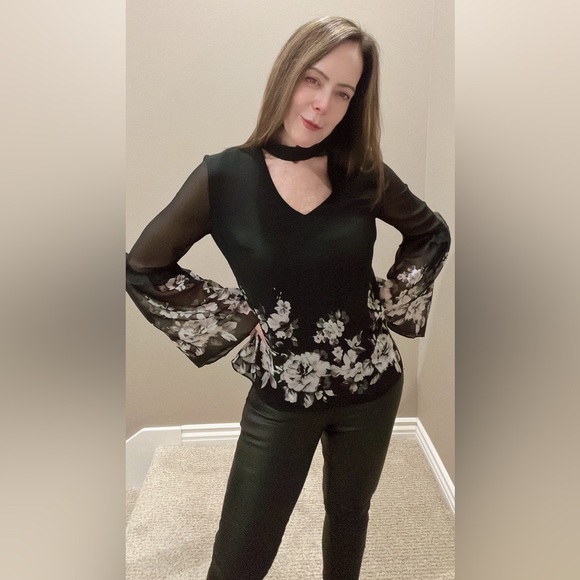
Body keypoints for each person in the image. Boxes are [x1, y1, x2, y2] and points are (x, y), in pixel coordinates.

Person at [126, 15, 450, 580]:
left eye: (343, 92)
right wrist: (235, 316)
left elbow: (430, 233)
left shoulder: (361, 172)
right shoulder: (224, 178)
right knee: (240, 555)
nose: (323, 104)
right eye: (312, 79)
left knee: (348, 517)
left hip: (373, 388)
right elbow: (144, 266)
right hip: (282, 397)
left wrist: (390, 302)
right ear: (287, 74)